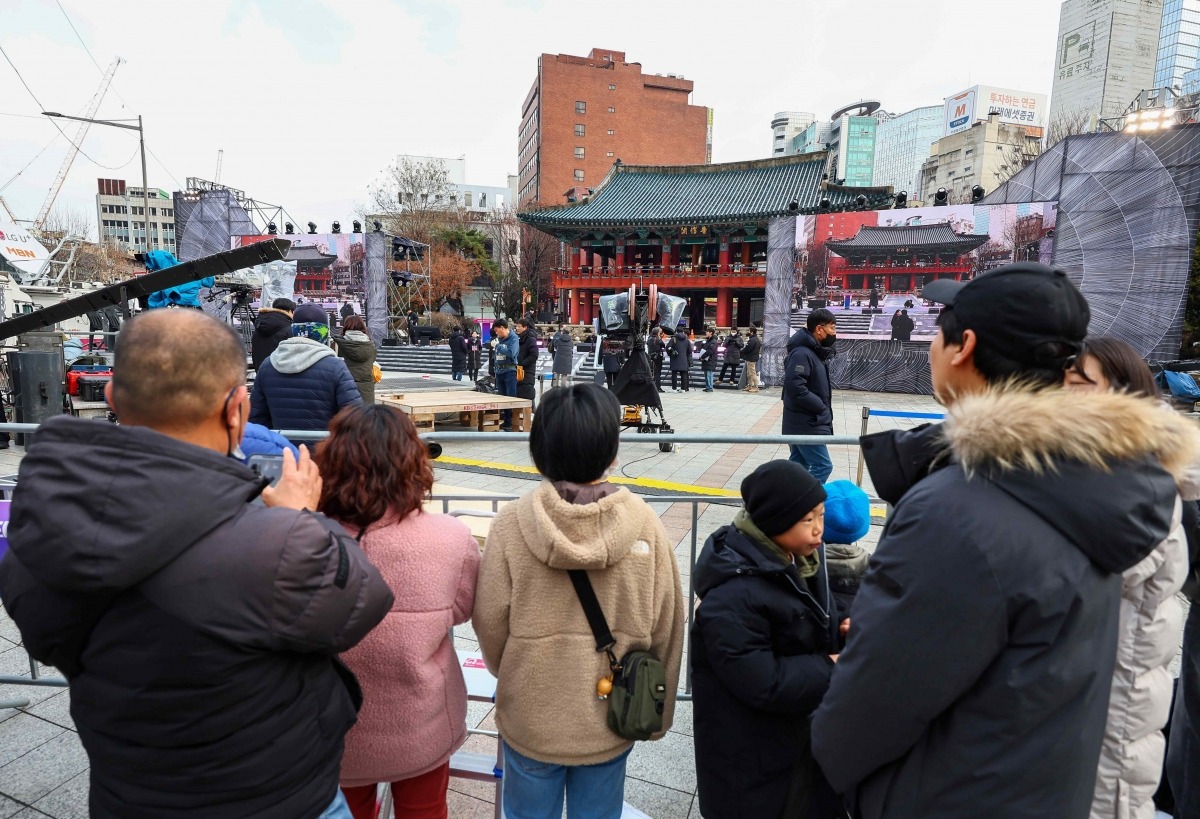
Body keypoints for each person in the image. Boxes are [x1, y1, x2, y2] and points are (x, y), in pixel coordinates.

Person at [811, 263, 1197, 819]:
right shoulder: (1103, 480)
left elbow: (872, 708)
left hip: (948, 794)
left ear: (963, 346)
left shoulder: (957, 507)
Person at [0, 309, 393, 819]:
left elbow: (46, 637)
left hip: (130, 793)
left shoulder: (43, 528)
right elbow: (360, 601)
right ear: (237, 409)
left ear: (114, 397)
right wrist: (301, 519)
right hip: (278, 797)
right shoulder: (271, 544)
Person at [473, 384, 686, 817]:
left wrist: (517, 669)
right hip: (609, 717)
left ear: (539, 453)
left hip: (531, 714)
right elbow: (668, 624)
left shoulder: (512, 524)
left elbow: (489, 621)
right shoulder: (644, 523)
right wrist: (657, 713)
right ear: (612, 452)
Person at [317, 405, 480, 819]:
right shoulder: (451, 537)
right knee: (425, 810)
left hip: (332, 725)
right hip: (421, 720)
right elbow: (462, 608)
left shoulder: (301, 534)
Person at [1061, 337, 1196, 819]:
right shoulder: (1091, 465)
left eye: (1079, 384)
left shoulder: (1137, 477)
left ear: (1122, 392)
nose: (1063, 394)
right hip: (1086, 691)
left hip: (1118, 698)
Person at [692, 460, 847, 819]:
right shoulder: (732, 596)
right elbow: (762, 681)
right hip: (750, 752)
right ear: (775, 521)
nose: (819, 530)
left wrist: (843, 626)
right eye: (808, 520)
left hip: (794, 739)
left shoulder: (800, 560)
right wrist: (829, 666)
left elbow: (815, 613)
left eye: (821, 516)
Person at [250, 302, 363, 441]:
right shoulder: (336, 367)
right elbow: (356, 420)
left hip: (283, 455)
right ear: (324, 331)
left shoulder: (268, 365)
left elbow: (256, 419)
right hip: (323, 455)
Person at [782, 308, 836, 483]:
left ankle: (786, 502)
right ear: (819, 329)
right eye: (832, 328)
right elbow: (796, 386)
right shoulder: (802, 353)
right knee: (823, 465)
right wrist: (821, 406)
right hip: (806, 422)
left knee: (799, 464)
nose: (834, 333)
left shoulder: (812, 352)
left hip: (804, 420)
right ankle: (803, 502)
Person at [334, 315, 377, 405]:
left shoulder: (339, 344)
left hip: (345, 387)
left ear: (346, 326)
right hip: (367, 389)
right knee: (365, 417)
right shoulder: (371, 345)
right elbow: (372, 361)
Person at [252, 297, 295, 370]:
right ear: (290, 311)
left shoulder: (259, 326)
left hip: (260, 371)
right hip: (280, 374)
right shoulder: (288, 329)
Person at [492, 319, 520, 431]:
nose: (496, 333)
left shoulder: (514, 338)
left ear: (502, 328)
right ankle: (506, 421)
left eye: (497, 330)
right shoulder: (499, 339)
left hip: (510, 371)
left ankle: (512, 422)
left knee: (510, 397)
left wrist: (498, 346)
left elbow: (511, 353)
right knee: (502, 397)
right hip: (499, 371)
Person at [515, 317, 539, 404]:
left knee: (527, 391)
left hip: (527, 371)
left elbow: (534, 355)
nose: (517, 328)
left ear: (525, 327)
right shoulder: (517, 339)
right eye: (516, 326)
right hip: (518, 370)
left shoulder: (530, 340)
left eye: (519, 326)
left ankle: (531, 410)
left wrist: (522, 364)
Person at [668, 325, 692, 392]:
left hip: (675, 359)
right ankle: (683, 389)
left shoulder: (673, 339)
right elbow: (690, 350)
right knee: (683, 374)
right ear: (683, 331)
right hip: (683, 359)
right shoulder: (687, 340)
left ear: (676, 331)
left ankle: (674, 388)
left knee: (674, 374)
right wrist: (685, 355)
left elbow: (668, 347)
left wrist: (671, 353)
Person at [742, 326, 762, 393]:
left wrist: (741, 351)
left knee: (752, 373)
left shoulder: (752, 340)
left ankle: (756, 387)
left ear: (751, 332)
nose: (748, 332)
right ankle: (750, 385)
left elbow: (748, 348)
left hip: (751, 358)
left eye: (749, 331)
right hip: (752, 357)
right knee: (749, 373)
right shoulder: (756, 339)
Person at [699, 327, 718, 392]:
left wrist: (703, 356)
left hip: (710, 360)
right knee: (706, 375)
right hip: (706, 360)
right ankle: (707, 387)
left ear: (711, 333)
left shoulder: (714, 341)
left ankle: (710, 387)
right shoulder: (708, 340)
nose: (706, 333)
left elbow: (710, 351)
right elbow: (704, 349)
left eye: (707, 332)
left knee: (709, 375)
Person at [648, 326, 666, 393]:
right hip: (657, 357)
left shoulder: (649, 339)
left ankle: (652, 386)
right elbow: (663, 345)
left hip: (651, 356)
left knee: (652, 372)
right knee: (658, 373)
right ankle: (657, 387)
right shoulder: (658, 339)